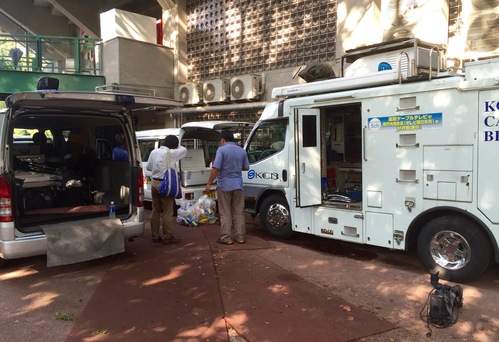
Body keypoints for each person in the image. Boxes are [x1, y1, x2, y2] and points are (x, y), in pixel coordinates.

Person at [205, 130, 250, 245]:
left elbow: (216, 168)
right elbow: (246, 168)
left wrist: (209, 183)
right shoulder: (241, 151)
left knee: (225, 212)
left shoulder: (221, 150)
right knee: (239, 212)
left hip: (224, 184)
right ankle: (240, 237)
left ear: (222, 140)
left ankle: (226, 237)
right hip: (238, 185)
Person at [146, 134, 187, 244]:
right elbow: (184, 149)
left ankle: (155, 236)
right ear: (173, 145)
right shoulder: (172, 153)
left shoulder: (153, 152)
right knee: (167, 212)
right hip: (166, 184)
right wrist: (177, 145)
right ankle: (167, 236)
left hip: (154, 183)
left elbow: (148, 167)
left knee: (155, 210)